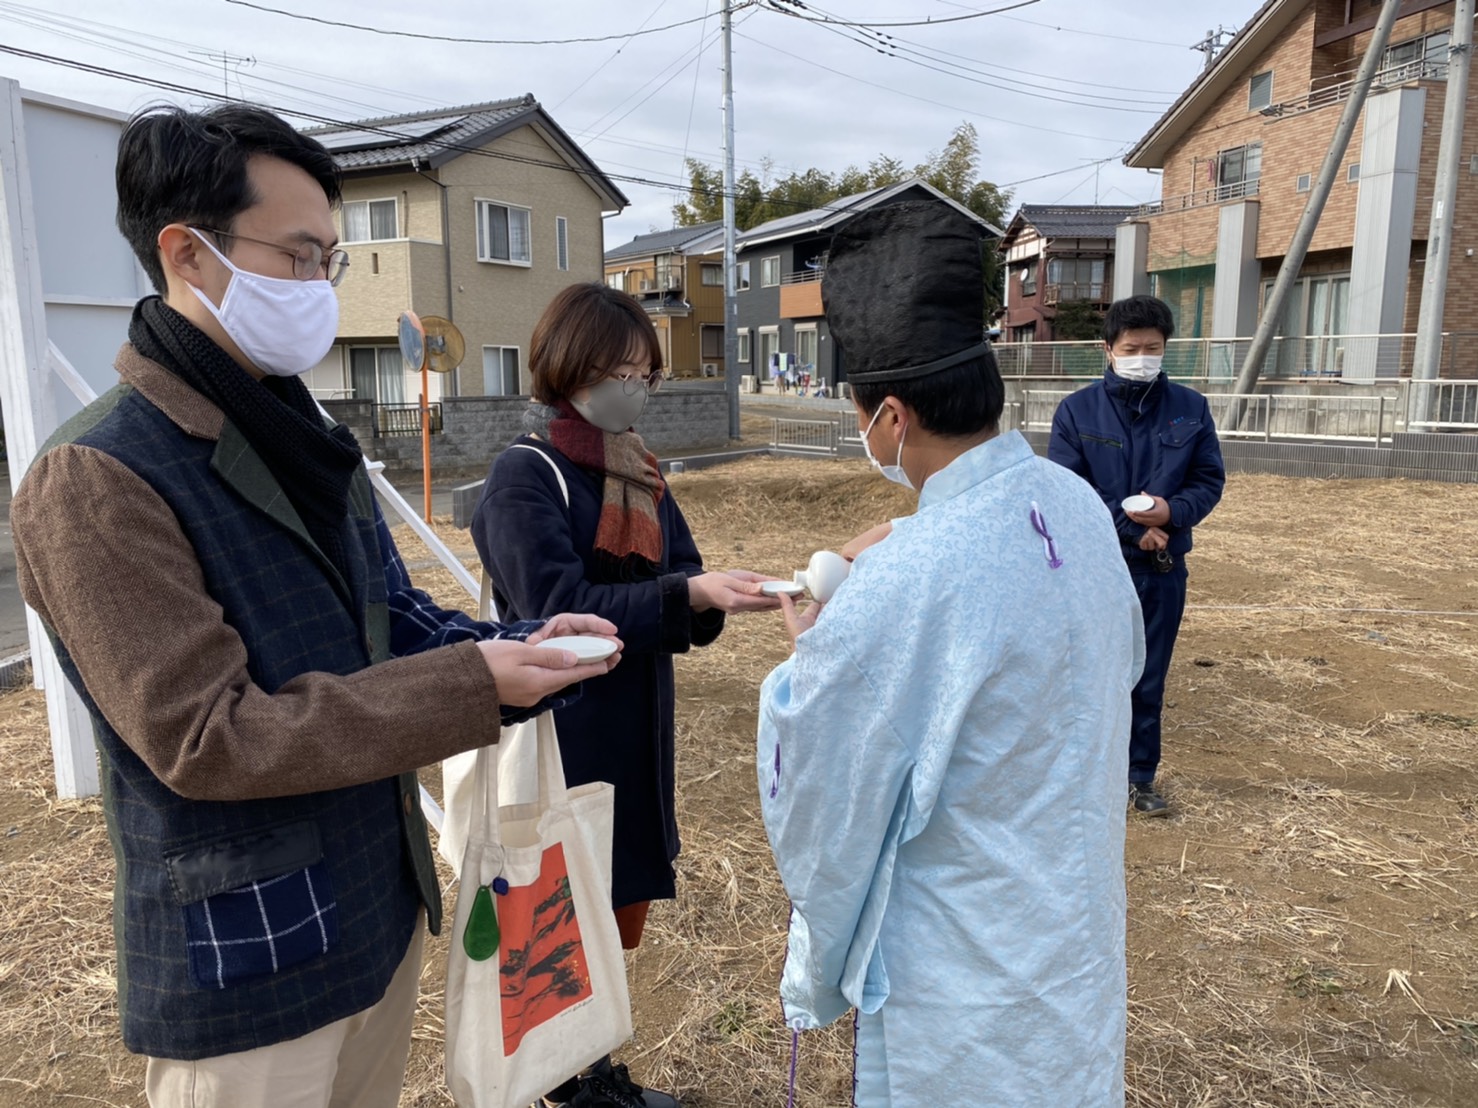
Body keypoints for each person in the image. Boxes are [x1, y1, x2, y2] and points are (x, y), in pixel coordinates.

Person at [9, 104, 620, 1108]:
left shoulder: (296, 425)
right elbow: (208, 738)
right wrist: (472, 683)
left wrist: (521, 645)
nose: (318, 286)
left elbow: (391, 618)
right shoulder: (96, 475)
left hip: (373, 907)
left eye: (327, 261)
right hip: (248, 960)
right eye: (298, 256)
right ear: (187, 254)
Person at [757, 201, 1142, 1106]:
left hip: (965, 951)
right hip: (1075, 909)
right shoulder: (1075, 505)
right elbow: (1119, 664)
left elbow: (828, 793)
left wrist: (808, 660)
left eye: (861, 413)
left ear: (891, 416)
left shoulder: (903, 579)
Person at [472, 282, 780, 1108]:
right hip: (563, 732)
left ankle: (595, 1067)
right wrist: (688, 597)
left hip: (637, 728)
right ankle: (566, 1083)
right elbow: (555, 609)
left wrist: (712, 596)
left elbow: (682, 571)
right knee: (556, 914)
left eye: (647, 373)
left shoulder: (640, 470)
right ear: (569, 368)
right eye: (621, 371)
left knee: (612, 910)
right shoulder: (524, 476)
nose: (636, 388)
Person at [1048, 294, 1225, 817]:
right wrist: (1132, 528)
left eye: (1153, 348)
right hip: (1095, 567)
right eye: (1131, 349)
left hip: (1161, 567)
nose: (1142, 357)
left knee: (1148, 676)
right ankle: (1080, 775)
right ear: (1108, 349)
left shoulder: (1190, 408)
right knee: (1085, 673)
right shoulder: (1077, 411)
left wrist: (1171, 514)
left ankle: (1139, 777)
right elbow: (1068, 489)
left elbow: (1208, 480)